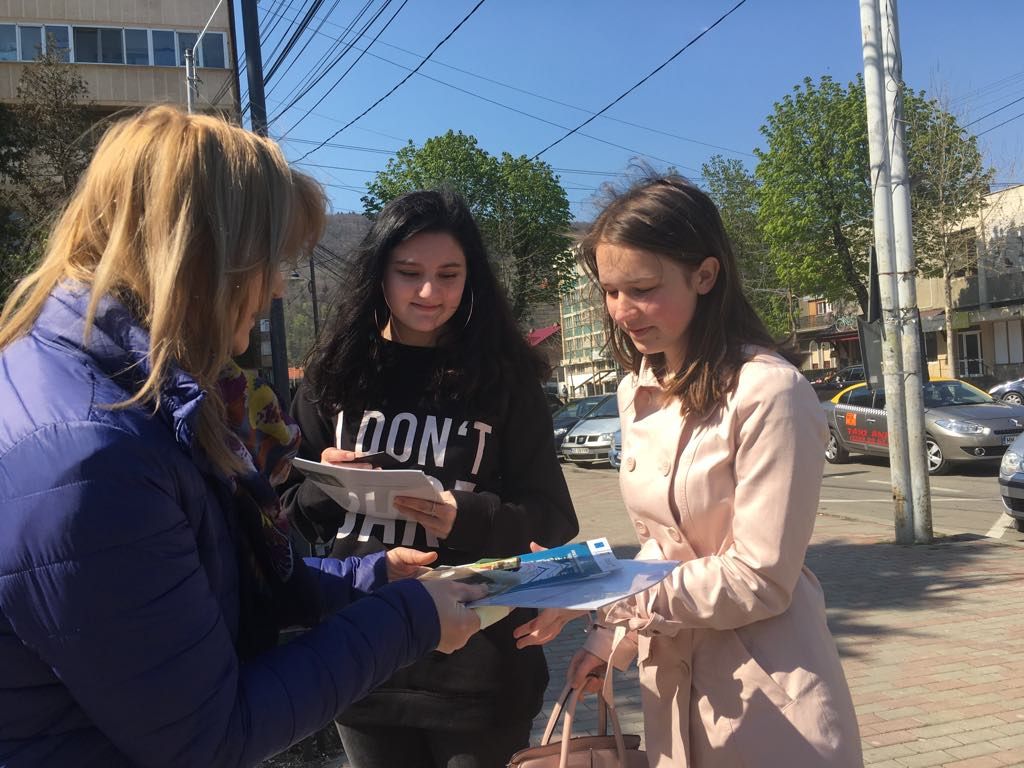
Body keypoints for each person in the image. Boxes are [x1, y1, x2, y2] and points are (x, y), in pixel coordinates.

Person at [0, 106, 484, 768]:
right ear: (207, 257)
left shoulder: (125, 386)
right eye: (272, 261)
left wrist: (364, 578)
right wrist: (412, 619)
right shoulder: (93, 457)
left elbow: (186, 581)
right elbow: (209, 735)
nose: (277, 289)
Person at [514, 175, 862, 766]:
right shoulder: (636, 389)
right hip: (669, 685)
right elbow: (662, 547)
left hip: (769, 698)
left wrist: (604, 594)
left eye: (643, 289)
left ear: (705, 275)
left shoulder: (770, 391)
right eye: (610, 290)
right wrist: (606, 639)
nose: (622, 311)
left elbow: (760, 577)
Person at [281, 188, 579, 768]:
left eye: (449, 274)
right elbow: (283, 512)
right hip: (364, 659)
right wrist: (325, 489)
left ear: (471, 279)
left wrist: (463, 516)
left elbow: (553, 517)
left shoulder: (506, 379)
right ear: (379, 275)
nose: (429, 292)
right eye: (409, 273)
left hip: (483, 664)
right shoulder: (333, 376)